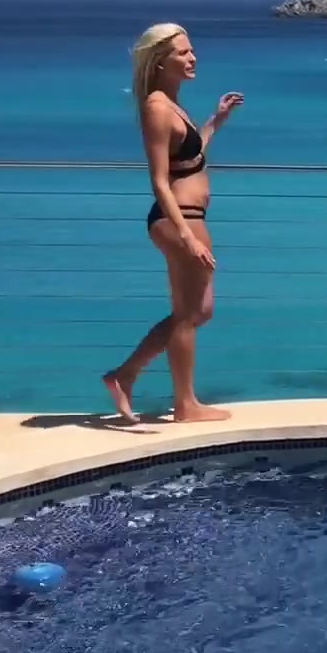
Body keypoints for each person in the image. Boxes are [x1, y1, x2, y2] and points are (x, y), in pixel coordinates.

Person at [102, 22, 243, 424]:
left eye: (191, 50)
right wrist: (186, 236)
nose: (192, 57)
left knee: (200, 311)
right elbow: (160, 180)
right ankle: (185, 404)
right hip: (178, 220)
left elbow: (190, 158)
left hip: (190, 218)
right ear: (161, 61)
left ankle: (125, 375)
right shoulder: (157, 108)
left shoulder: (172, 104)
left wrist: (216, 121)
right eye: (183, 52)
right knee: (187, 314)